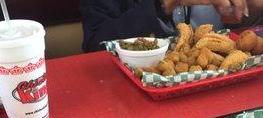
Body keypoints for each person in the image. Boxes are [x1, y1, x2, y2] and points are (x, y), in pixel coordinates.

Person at [80, 0, 263, 52]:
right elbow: (96, 42)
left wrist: (251, 10)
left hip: (225, 87)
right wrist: (163, 5)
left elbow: (236, 29)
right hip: (137, 97)